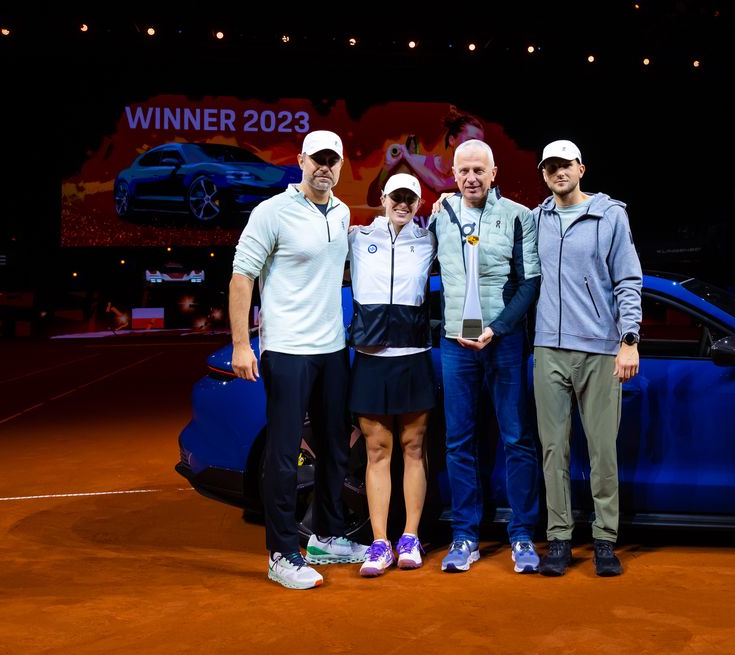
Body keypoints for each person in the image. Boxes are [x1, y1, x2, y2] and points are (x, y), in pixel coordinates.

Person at [230, 129, 366, 590]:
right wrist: (241, 345)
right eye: (318, 159)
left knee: (335, 448)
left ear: (341, 166)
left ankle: (326, 537)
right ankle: (282, 553)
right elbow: (241, 277)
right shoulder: (272, 212)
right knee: (285, 455)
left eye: (334, 160)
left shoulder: (343, 211)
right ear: (302, 161)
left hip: (331, 348)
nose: (325, 167)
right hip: (287, 349)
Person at [427, 139, 542, 573]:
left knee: (517, 439)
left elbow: (530, 283)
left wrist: (498, 329)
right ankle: (464, 536)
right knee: (458, 442)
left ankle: (523, 535)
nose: (472, 178)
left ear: (494, 173)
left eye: (480, 170)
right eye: (464, 172)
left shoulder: (519, 217)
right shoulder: (441, 216)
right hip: (456, 346)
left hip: (504, 342)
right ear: (453, 176)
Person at [532, 140, 642, 577]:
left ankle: (604, 540)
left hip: (599, 348)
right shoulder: (537, 218)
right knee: (554, 450)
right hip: (548, 349)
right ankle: (559, 539)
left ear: (582, 168)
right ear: (544, 173)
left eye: (566, 165)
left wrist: (629, 339)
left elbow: (628, 279)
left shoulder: (610, 214)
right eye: (551, 167)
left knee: (601, 451)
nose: (559, 172)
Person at [347, 173, 438, 577]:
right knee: (377, 451)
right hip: (370, 357)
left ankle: (411, 536)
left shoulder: (429, 241)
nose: (403, 204)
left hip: (414, 354)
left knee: (414, 447)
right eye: (397, 197)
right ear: (383, 197)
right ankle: (380, 542)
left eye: (410, 199)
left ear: (419, 204)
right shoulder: (355, 237)